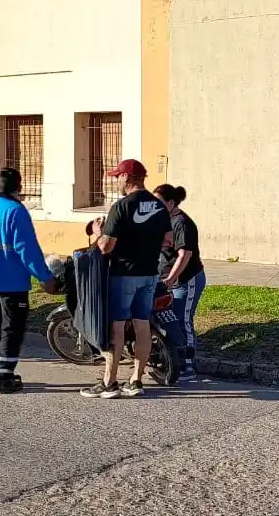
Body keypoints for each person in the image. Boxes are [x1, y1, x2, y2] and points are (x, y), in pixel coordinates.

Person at [82, 159, 173, 399]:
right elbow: (169, 239)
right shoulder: (159, 206)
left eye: (117, 176)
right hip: (150, 274)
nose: (115, 181)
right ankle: (136, 380)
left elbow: (105, 247)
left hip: (124, 274)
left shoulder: (121, 206)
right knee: (143, 324)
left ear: (127, 178)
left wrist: (98, 233)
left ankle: (109, 382)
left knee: (118, 326)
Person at [0, 167, 56, 393]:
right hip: (12, 282)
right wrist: (45, 277)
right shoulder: (16, 211)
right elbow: (27, 249)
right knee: (11, 328)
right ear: (20, 188)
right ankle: (5, 377)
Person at [153, 184, 206, 380]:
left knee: (183, 319)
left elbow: (185, 255)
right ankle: (173, 358)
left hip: (186, 280)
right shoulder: (163, 220)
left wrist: (170, 279)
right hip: (167, 280)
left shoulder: (181, 222)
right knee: (170, 320)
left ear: (171, 203)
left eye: (158, 202)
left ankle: (188, 366)